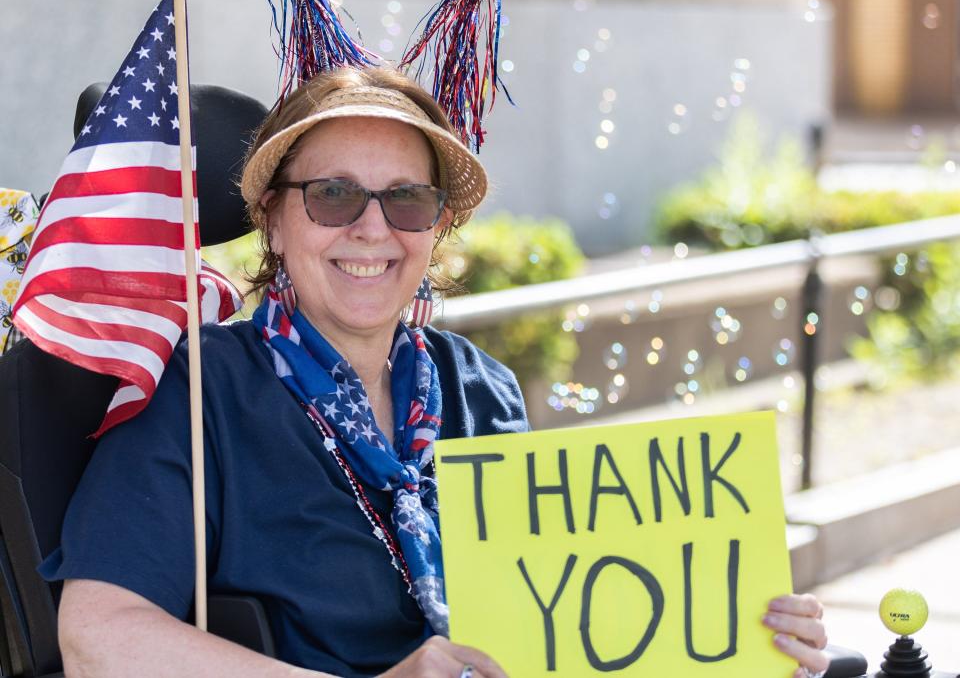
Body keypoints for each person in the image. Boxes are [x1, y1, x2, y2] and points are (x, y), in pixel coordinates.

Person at [45, 66, 831, 678]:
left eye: (409, 201)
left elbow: (563, 626)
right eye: (332, 195)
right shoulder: (196, 394)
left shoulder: (480, 387)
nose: (373, 228)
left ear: (436, 227)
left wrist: (740, 633)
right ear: (274, 222)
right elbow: (98, 637)